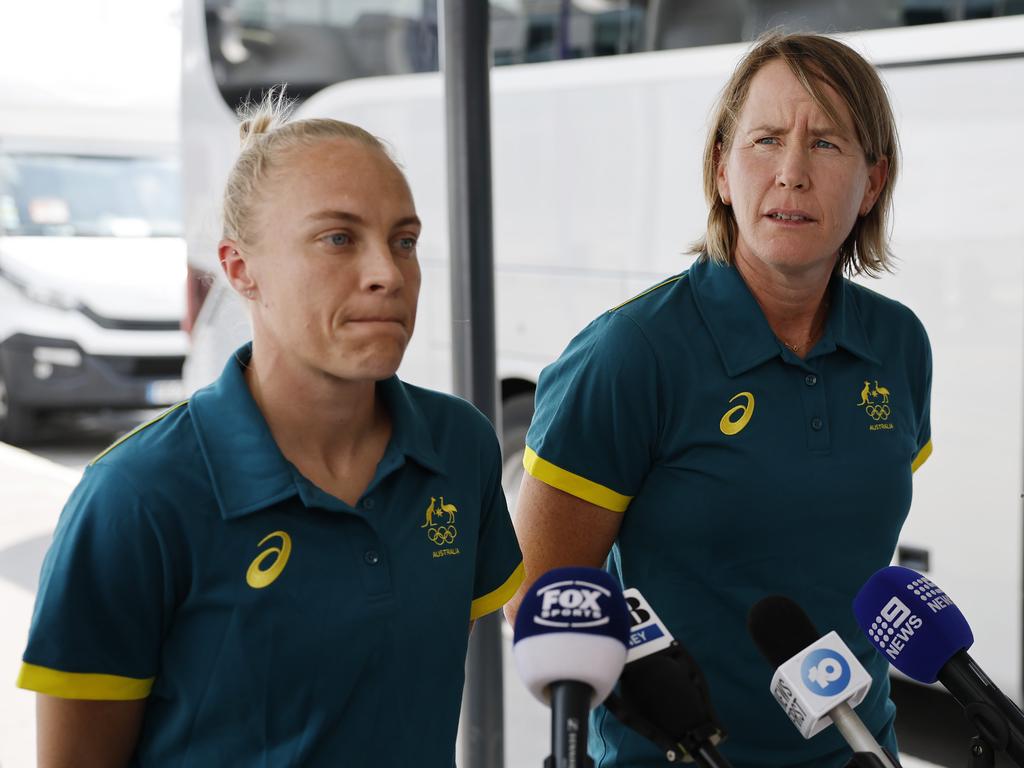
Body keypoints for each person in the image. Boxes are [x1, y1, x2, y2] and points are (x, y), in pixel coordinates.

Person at [17, 91, 523, 767]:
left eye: (404, 241)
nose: (388, 274)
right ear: (239, 269)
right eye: (338, 238)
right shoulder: (135, 496)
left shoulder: (460, 445)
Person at [506, 32, 931, 768]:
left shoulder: (899, 345)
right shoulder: (630, 353)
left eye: (828, 144)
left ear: (873, 182)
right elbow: (541, 601)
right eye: (766, 140)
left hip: (861, 751)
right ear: (722, 172)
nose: (792, 173)